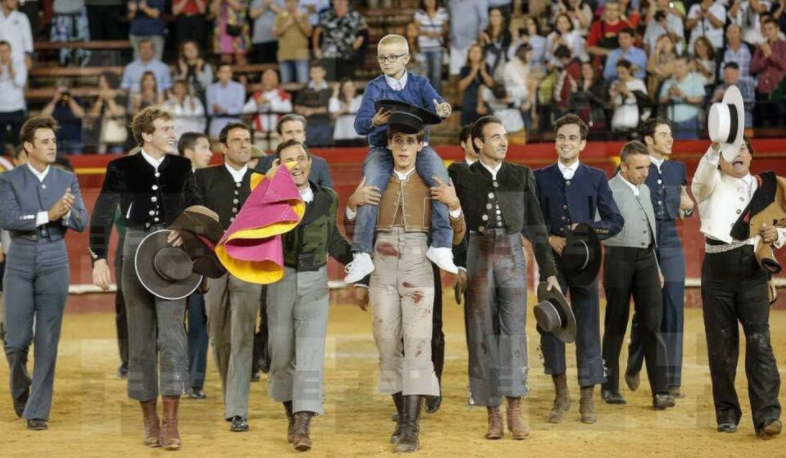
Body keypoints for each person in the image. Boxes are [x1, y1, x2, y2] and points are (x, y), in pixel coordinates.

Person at [349, 115, 466, 453]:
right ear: (388, 144)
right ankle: (403, 417)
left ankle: (411, 426)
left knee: (417, 344)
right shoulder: (376, 178)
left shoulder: (433, 180)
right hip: (381, 262)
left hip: (418, 262)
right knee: (386, 341)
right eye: (398, 141)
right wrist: (353, 206)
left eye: (410, 141)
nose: (403, 147)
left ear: (420, 145)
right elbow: (354, 231)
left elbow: (458, 235)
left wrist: (454, 206)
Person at [90, 106, 202, 450]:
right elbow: (102, 213)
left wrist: (188, 231)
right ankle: (150, 420)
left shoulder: (182, 166)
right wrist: (98, 257)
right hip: (134, 246)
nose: (172, 134)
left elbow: (197, 206)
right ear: (146, 135)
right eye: (165, 129)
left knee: (172, 336)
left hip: (172, 249)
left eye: (172, 128)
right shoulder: (121, 167)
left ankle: (171, 423)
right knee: (139, 340)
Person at [450, 115, 560, 440]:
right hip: (478, 254)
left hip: (512, 255)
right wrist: (459, 265)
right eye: (496, 137)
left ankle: (515, 409)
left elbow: (536, 225)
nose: (503, 142)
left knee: (514, 332)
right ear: (478, 143)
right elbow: (454, 224)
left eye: (505, 136)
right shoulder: (461, 175)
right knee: (481, 332)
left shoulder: (520, 174)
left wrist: (549, 270)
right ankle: (493, 414)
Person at [692, 103, 782, 436]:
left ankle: (767, 416)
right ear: (721, 159)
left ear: (751, 155)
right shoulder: (708, 184)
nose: (738, 153)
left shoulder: (768, 187)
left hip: (753, 273)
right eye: (732, 150)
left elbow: (783, 226)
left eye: (743, 148)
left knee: (760, 341)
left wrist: (778, 236)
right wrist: (716, 144)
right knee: (721, 345)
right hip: (717, 272)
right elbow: (701, 176)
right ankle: (726, 412)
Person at [345, 33, 455, 284]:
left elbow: (438, 105)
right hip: (382, 147)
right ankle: (361, 253)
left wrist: (443, 108)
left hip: (418, 147)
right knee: (370, 187)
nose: (386, 62)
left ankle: (441, 245)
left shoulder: (420, 83)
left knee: (441, 179)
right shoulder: (374, 87)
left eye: (392, 57)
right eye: (382, 58)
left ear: (406, 58)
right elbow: (360, 125)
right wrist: (374, 121)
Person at [534, 114, 624, 424]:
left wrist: (587, 229)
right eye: (561, 137)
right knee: (551, 323)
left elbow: (615, 221)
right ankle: (561, 394)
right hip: (552, 262)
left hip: (586, 261)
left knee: (587, 326)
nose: (566, 142)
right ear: (555, 141)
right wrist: (549, 238)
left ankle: (587, 396)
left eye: (572, 138)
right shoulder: (539, 176)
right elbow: (530, 220)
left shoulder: (596, 177)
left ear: (582, 144)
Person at [0, 116, 87, 430]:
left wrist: (64, 215)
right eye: (45, 142)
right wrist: (47, 214)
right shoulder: (9, 179)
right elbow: (8, 218)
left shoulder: (66, 178)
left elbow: (81, 222)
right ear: (28, 146)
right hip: (20, 258)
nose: (52, 146)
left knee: (48, 339)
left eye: (53, 141)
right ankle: (21, 389)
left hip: (54, 258)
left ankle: (37, 409)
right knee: (15, 340)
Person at [266, 139, 352, 451]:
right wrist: (271, 187)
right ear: (279, 166)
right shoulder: (269, 198)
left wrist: (357, 262)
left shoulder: (327, 197)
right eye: (288, 160)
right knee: (281, 354)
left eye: (301, 158)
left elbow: (333, 238)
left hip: (315, 280)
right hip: (280, 279)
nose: (297, 165)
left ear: (310, 162)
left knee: (310, 354)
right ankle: (292, 415)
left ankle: (303, 423)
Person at [194, 122, 260, 431]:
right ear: (224, 148)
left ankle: (237, 409)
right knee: (219, 337)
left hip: (248, 266)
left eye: (247, 140)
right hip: (214, 266)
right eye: (237, 140)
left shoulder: (261, 181)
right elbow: (194, 220)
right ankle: (231, 394)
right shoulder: (203, 178)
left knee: (243, 335)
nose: (244, 145)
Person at [602, 140, 674, 410]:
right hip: (618, 258)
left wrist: (656, 265)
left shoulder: (645, 190)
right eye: (639, 168)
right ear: (624, 167)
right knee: (616, 322)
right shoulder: (607, 190)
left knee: (652, 323)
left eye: (647, 167)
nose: (645, 173)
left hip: (646, 260)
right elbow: (596, 227)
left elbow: (650, 232)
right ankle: (609, 386)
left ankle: (661, 391)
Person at [625, 118, 694, 400]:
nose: (670, 139)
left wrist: (688, 208)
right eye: (664, 134)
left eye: (671, 134)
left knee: (674, 308)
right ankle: (635, 357)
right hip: (644, 243)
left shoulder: (678, 168)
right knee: (648, 308)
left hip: (671, 241)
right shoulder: (637, 166)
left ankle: (672, 380)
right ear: (649, 140)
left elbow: (684, 207)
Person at [312, 0, 368, 81]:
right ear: (333, 2)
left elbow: (365, 32)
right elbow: (317, 32)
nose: (340, 3)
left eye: (342, 1)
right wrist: (316, 48)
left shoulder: (355, 16)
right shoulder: (326, 16)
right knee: (329, 83)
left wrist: (360, 39)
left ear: (347, 2)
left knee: (346, 82)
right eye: (337, 1)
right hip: (328, 57)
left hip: (347, 56)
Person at [242, 69, 292, 150]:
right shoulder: (257, 95)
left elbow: (288, 108)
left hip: (276, 133)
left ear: (276, 81)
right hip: (259, 132)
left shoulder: (281, 94)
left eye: (270, 79)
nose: (267, 81)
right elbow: (244, 110)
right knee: (260, 156)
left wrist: (270, 102)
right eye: (265, 79)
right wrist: (256, 104)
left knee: (277, 154)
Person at [658, 56, 705, 139]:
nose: (677, 69)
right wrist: (669, 95)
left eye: (680, 66)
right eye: (675, 66)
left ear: (687, 67)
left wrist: (682, 95)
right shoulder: (668, 82)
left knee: (689, 146)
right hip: (671, 122)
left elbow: (699, 99)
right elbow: (661, 100)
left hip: (689, 121)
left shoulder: (695, 80)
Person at [413, 0, 449, 94]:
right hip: (423, 48)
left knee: (436, 75)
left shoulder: (442, 12)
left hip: (437, 47)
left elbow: (446, 29)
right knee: (425, 75)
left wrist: (439, 33)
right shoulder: (419, 13)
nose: (430, 1)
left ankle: (436, 98)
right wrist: (427, 33)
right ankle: (426, 98)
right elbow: (415, 30)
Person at [273, 0, 312, 84]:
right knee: (286, 84)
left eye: (294, 2)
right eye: (289, 2)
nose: (292, 4)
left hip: (301, 53)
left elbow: (309, 34)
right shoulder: (280, 16)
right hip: (285, 54)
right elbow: (275, 33)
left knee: (303, 83)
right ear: (285, 3)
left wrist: (300, 22)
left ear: (298, 3)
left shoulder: (304, 15)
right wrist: (288, 23)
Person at [41, 84, 86, 155]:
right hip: (56, 139)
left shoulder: (76, 100)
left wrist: (70, 99)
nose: (62, 94)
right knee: (56, 161)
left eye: (64, 92)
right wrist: (55, 100)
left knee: (76, 160)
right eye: (59, 92)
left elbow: (80, 115)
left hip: (74, 138)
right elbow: (43, 116)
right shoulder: (51, 102)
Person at [447, 0, 488, 76]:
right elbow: (451, 20)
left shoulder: (479, 1)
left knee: (470, 72)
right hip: (455, 44)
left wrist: (479, 36)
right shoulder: (452, 2)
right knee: (454, 74)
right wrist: (450, 38)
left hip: (471, 43)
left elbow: (484, 20)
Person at [0, 40, 27, 156]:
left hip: (16, 108)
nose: (3, 54)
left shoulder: (19, 65)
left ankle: (20, 164)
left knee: (18, 142)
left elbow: (21, 83)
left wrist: (12, 72)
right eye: (1, 51)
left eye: (6, 50)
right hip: (0, 109)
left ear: (10, 52)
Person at [459, 44, 496, 126]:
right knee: (468, 129)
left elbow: (491, 85)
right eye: (473, 51)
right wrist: (473, 72)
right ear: (469, 54)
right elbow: (461, 87)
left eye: (478, 52)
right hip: (469, 103)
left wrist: (483, 72)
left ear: (482, 55)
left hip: (484, 103)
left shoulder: (487, 67)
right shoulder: (464, 69)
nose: (475, 54)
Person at [206, 64, 246, 139]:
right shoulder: (211, 88)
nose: (227, 74)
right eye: (224, 71)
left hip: (235, 122)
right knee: (217, 145)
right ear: (218, 74)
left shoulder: (239, 87)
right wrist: (217, 109)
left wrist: (224, 110)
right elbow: (210, 110)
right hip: (217, 124)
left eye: (229, 72)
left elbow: (239, 108)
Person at [210, 0, 251, 66]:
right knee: (225, 57)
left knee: (240, 56)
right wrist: (217, 2)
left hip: (237, 29)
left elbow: (238, 7)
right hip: (222, 29)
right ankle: (226, 72)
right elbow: (213, 12)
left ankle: (242, 72)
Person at [174, 40, 214, 105]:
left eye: (193, 48)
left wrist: (198, 71)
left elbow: (208, 85)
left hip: (202, 99)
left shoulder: (205, 65)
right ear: (183, 52)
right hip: (183, 100)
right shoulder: (180, 66)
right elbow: (175, 87)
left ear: (198, 50)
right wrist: (183, 73)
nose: (190, 51)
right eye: (187, 49)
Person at [0, 0, 33, 69]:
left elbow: (27, 39)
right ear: (3, 1)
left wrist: (28, 55)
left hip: (18, 60)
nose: (15, 1)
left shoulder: (22, 17)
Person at [329, 79, 364, 144]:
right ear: (342, 89)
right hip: (341, 135)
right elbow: (333, 111)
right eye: (346, 87)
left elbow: (351, 109)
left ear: (355, 88)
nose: (349, 89)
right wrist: (335, 91)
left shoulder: (360, 98)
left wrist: (340, 111)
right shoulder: (339, 101)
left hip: (357, 136)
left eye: (351, 86)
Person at [249, 0, 284, 64]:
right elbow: (252, 15)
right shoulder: (256, 1)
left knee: (277, 64)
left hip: (277, 37)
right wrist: (264, 6)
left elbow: (285, 14)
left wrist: (272, 6)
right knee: (262, 64)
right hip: (260, 38)